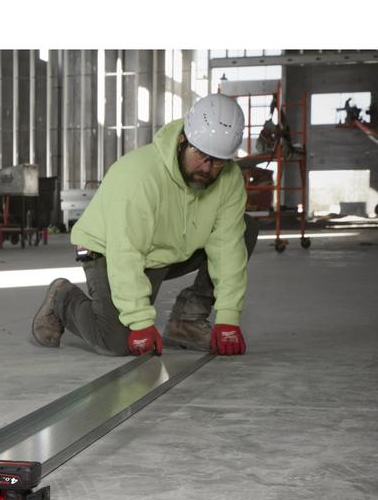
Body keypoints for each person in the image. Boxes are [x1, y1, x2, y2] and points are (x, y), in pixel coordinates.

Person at [31, 93, 258, 358]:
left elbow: (227, 247)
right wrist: (140, 321)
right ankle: (62, 299)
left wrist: (228, 317)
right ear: (183, 140)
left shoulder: (229, 180)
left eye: (218, 161)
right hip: (107, 250)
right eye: (200, 155)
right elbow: (125, 251)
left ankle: (187, 321)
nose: (207, 168)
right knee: (116, 343)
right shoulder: (139, 177)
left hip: (167, 250)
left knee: (245, 228)